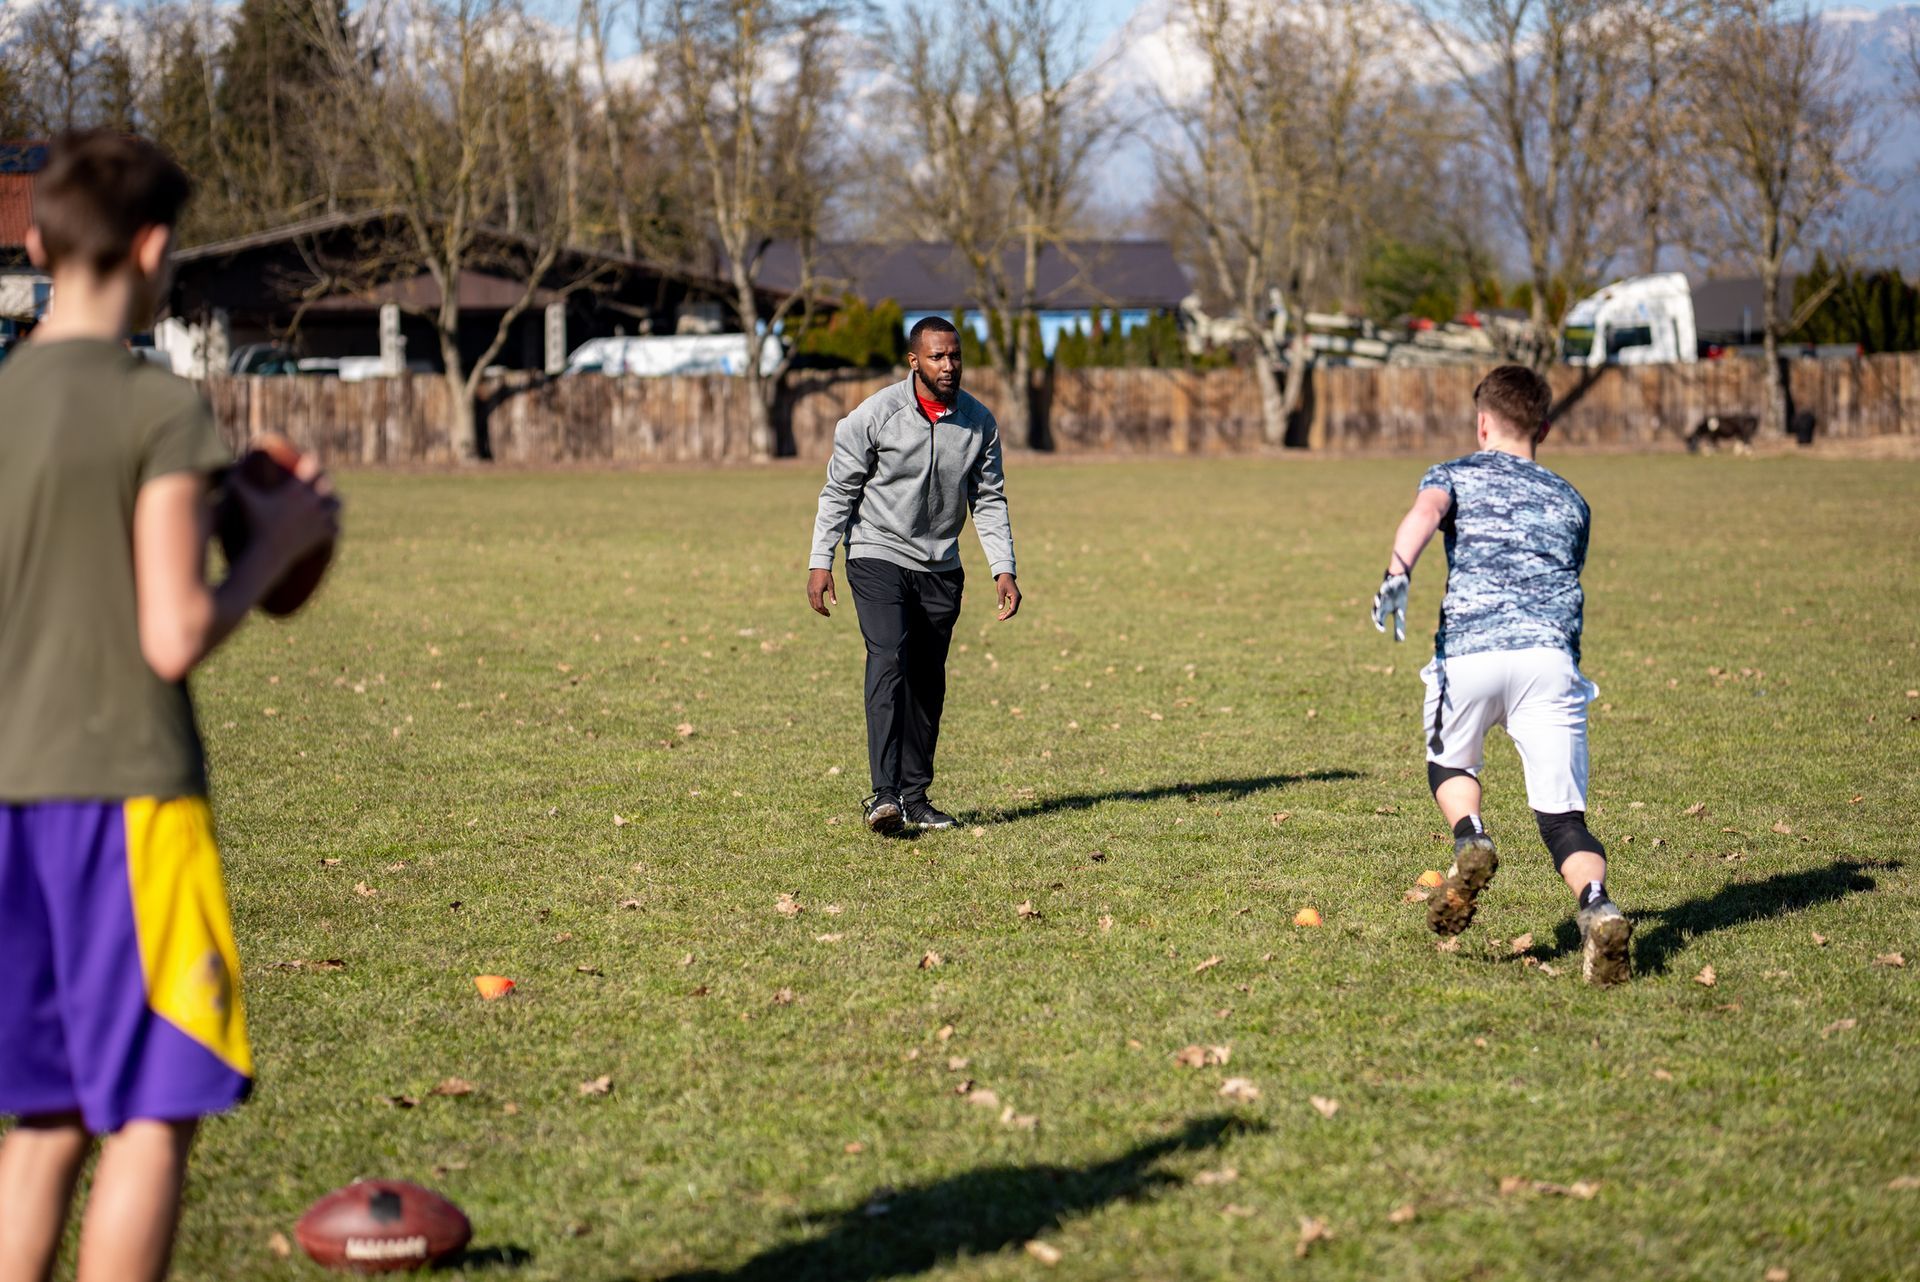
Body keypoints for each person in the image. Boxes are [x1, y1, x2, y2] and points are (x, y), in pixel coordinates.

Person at [0, 131, 340, 1282]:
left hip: (7, 806)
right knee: (149, 1110)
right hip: (125, 809)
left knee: (43, 1115)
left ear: (39, 242)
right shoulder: (157, 408)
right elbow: (173, 632)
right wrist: (272, 549)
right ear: (154, 251)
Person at [1370, 364, 1631, 986]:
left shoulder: (1454, 474)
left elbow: (1427, 511)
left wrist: (1398, 570)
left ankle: (1471, 836)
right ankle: (1598, 907)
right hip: (1550, 662)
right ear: (1543, 426)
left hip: (1472, 653)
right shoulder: (1572, 499)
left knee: (1451, 766)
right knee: (1565, 822)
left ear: (1482, 423)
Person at [807, 316, 1020, 834]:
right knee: (889, 658)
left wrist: (1003, 567)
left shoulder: (978, 422)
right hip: (877, 552)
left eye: (955, 356)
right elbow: (839, 491)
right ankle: (883, 796)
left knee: (928, 679)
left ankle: (914, 795)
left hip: (940, 566)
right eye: (937, 357)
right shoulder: (876, 415)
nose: (949, 366)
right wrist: (821, 560)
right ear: (914, 361)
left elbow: (988, 499)